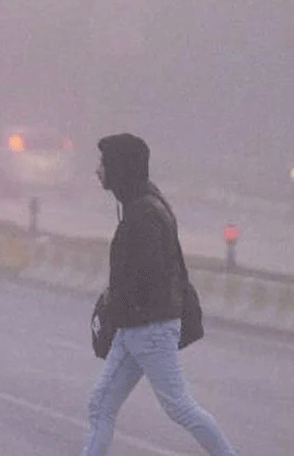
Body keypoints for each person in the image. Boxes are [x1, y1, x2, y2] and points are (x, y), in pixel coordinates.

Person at [80, 133, 238, 456]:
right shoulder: (141, 204)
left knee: (179, 407)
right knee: (100, 405)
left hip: (149, 329)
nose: (97, 171)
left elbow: (148, 277)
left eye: (103, 164)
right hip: (135, 328)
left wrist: (118, 304)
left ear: (120, 168)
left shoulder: (144, 215)